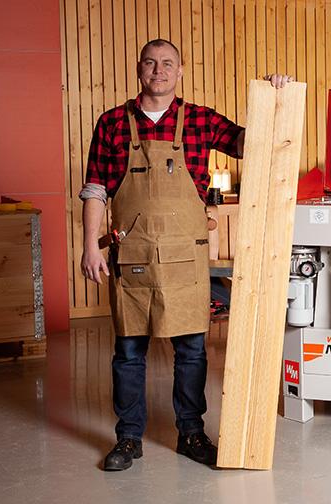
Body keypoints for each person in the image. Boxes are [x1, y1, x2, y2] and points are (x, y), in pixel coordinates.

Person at [79, 38, 292, 471]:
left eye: (167, 63)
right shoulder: (112, 123)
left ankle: (191, 434)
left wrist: (274, 96)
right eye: (150, 62)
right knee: (128, 352)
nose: (158, 70)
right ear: (139, 69)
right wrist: (89, 246)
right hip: (132, 257)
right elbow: (96, 189)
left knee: (192, 351)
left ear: (179, 72)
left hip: (186, 260)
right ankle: (128, 438)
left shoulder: (200, 119)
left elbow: (249, 143)